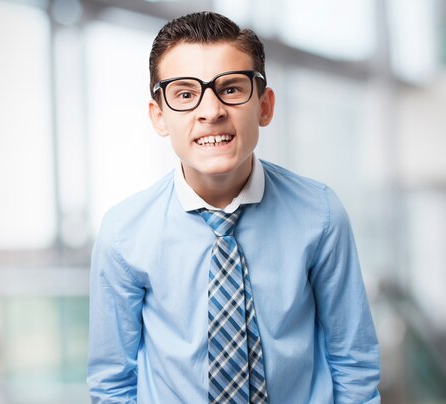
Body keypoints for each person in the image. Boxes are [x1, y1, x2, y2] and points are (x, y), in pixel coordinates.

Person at [87, 11, 380, 404]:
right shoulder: (124, 233)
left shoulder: (320, 214)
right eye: (186, 94)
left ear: (264, 105)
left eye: (231, 88)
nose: (211, 111)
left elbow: (354, 364)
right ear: (159, 116)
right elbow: (112, 383)